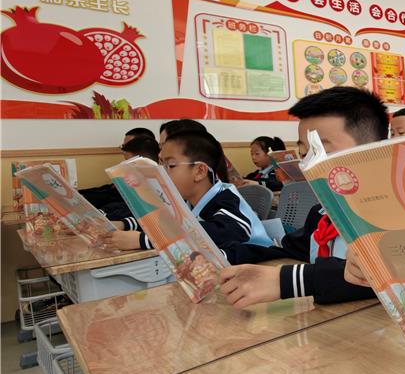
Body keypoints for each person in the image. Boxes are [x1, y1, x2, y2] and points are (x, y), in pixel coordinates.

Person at [220, 87, 387, 308]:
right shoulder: (321, 214)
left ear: (373, 151)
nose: (308, 166)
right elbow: (284, 249)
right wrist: (222, 256)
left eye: (322, 152)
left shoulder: (395, 216)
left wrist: (287, 281)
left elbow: (379, 275)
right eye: (304, 154)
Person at [106, 130, 272, 253]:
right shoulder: (187, 199)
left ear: (199, 171)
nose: (162, 173)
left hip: (258, 271)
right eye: (161, 165)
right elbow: (163, 219)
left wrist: (145, 240)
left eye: (170, 166)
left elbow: (225, 231)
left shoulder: (226, 199)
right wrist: (124, 224)